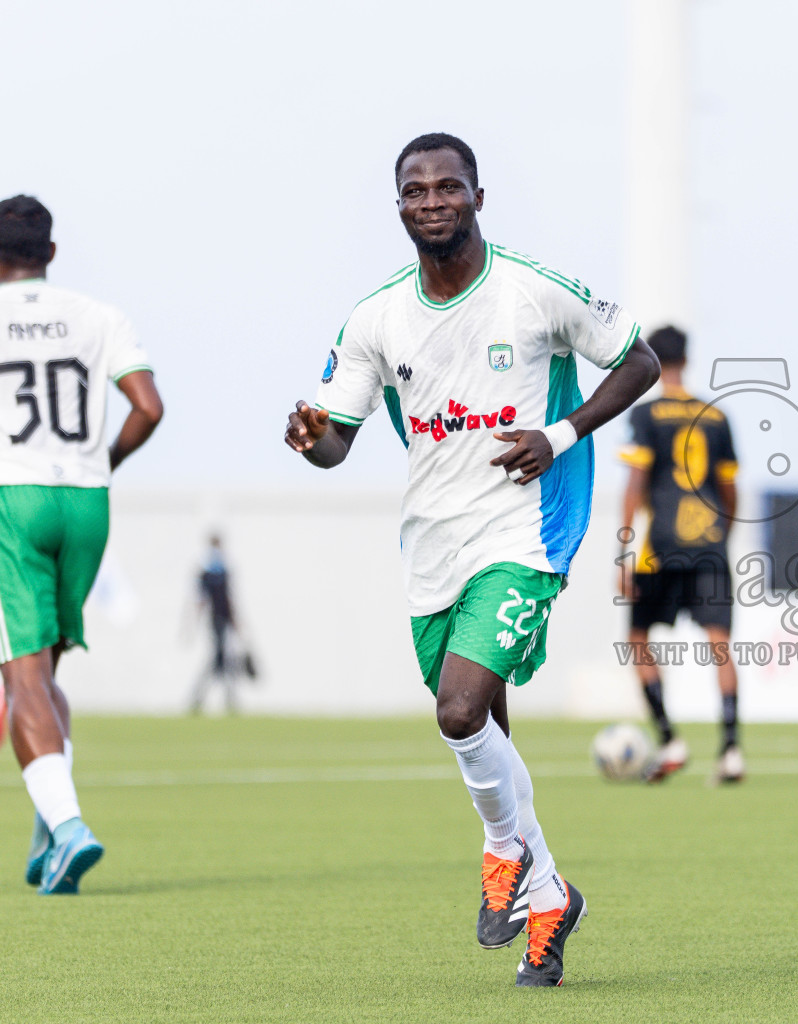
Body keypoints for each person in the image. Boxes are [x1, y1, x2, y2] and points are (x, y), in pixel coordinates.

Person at [284, 133, 658, 987]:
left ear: (478, 197)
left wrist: (559, 435)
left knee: (459, 712)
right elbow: (336, 439)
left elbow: (636, 360)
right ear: (400, 208)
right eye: (415, 190)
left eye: (448, 186)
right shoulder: (374, 318)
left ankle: (501, 853)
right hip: (433, 543)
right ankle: (549, 895)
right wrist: (311, 440)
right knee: (486, 721)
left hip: (526, 530)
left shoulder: (532, 291)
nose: (432, 201)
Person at [0, 195, 164, 894]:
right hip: (86, 501)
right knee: (47, 671)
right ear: (51, 254)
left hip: (15, 495)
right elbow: (149, 407)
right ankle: (50, 818)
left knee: (23, 675)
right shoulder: (98, 314)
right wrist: (104, 466)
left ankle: (68, 828)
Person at [616, 326, 741, 783]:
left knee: (638, 637)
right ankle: (730, 750)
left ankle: (669, 739)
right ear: (686, 360)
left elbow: (635, 483)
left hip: (661, 544)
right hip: (709, 542)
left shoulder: (646, 415)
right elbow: (729, 488)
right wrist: (721, 534)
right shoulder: (717, 416)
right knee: (720, 643)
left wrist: (624, 548)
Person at [187, 533, 255, 715]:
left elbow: (216, 599)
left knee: (221, 660)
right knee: (220, 660)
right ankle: (209, 699)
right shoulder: (214, 569)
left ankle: (208, 699)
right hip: (218, 619)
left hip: (221, 618)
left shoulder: (213, 568)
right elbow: (214, 598)